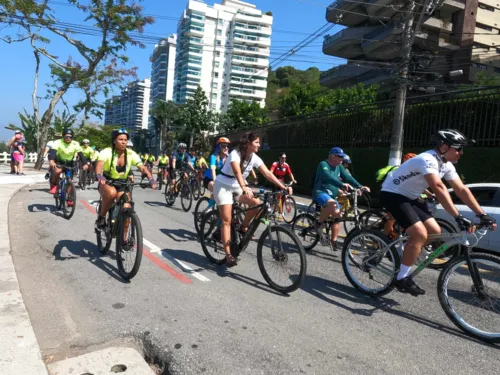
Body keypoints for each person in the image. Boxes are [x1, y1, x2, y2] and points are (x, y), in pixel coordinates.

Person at [380, 129, 496, 296]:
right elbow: (439, 188)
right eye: (458, 148)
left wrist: (482, 214)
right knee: (419, 234)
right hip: (393, 194)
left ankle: (402, 251)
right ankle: (402, 278)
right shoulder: (426, 159)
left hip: (410, 197)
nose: (461, 153)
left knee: (435, 232)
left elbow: (461, 189)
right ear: (443, 147)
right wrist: (458, 216)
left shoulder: (446, 165)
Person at [213, 132, 292, 267]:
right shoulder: (235, 154)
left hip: (237, 185)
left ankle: (243, 227)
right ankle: (229, 255)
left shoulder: (253, 157)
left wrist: (283, 186)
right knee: (226, 220)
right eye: (256, 142)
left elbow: (267, 173)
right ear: (249, 143)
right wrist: (245, 187)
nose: (259, 145)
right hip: (223, 185)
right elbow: (237, 172)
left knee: (257, 204)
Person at [94, 129, 156, 229]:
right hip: (107, 181)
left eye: (125, 140)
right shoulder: (107, 152)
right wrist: (99, 175)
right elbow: (99, 164)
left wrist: (150, 178)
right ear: (114, 140)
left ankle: (124, 241)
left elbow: (142, 167)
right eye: (120, 139)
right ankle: (101, 217)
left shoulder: (131, 154)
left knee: (127, 208)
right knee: (111, 193)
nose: (123, 142)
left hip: (123, 183)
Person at [313, 147, 370, 251]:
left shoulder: (339, 166)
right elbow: (327, 177)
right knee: (333, 205)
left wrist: (360, 186)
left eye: (342, 157)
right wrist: (341, 184)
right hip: (321, 192)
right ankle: (318, 223)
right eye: (340, 157)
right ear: (332, 156)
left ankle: (333, 241)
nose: (342, 159)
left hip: (333, 195)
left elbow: (348, 177)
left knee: (338, 216)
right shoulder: (323, 164)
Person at [47, 129, 88, 202]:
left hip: (69, 163)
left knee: (69, 180)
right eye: (66, 137)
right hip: (59, 161)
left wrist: (85, 163)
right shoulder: (58, 142)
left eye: (70, 137)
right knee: (57, 171)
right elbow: (53, 152)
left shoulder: (75, 143)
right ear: (63, 136)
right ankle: (54, 184)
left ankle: (69, 198)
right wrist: (52, 161)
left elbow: (81, 154)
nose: (68, 138)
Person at [203, 137, 230, 206]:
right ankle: (208, 210)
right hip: (210, 179)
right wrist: (215, 180)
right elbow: (213, 169)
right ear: (218, 147)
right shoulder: (213, 157)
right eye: (223, 146)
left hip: (221, 180)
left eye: (227, 146)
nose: (226, 148)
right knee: (216, 189)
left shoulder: (229, 157)